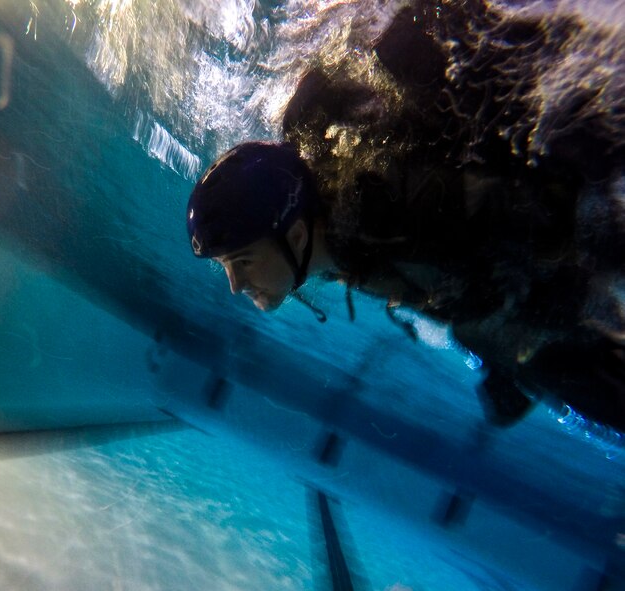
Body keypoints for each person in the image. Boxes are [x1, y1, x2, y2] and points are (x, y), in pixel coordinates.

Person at [186, 0, 624, 431]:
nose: (236, 284)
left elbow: (534, 219)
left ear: (296, 235)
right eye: (228, 265)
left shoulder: (384, 212)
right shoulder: (338, 239)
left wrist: (518, 344)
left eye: (241, 261)